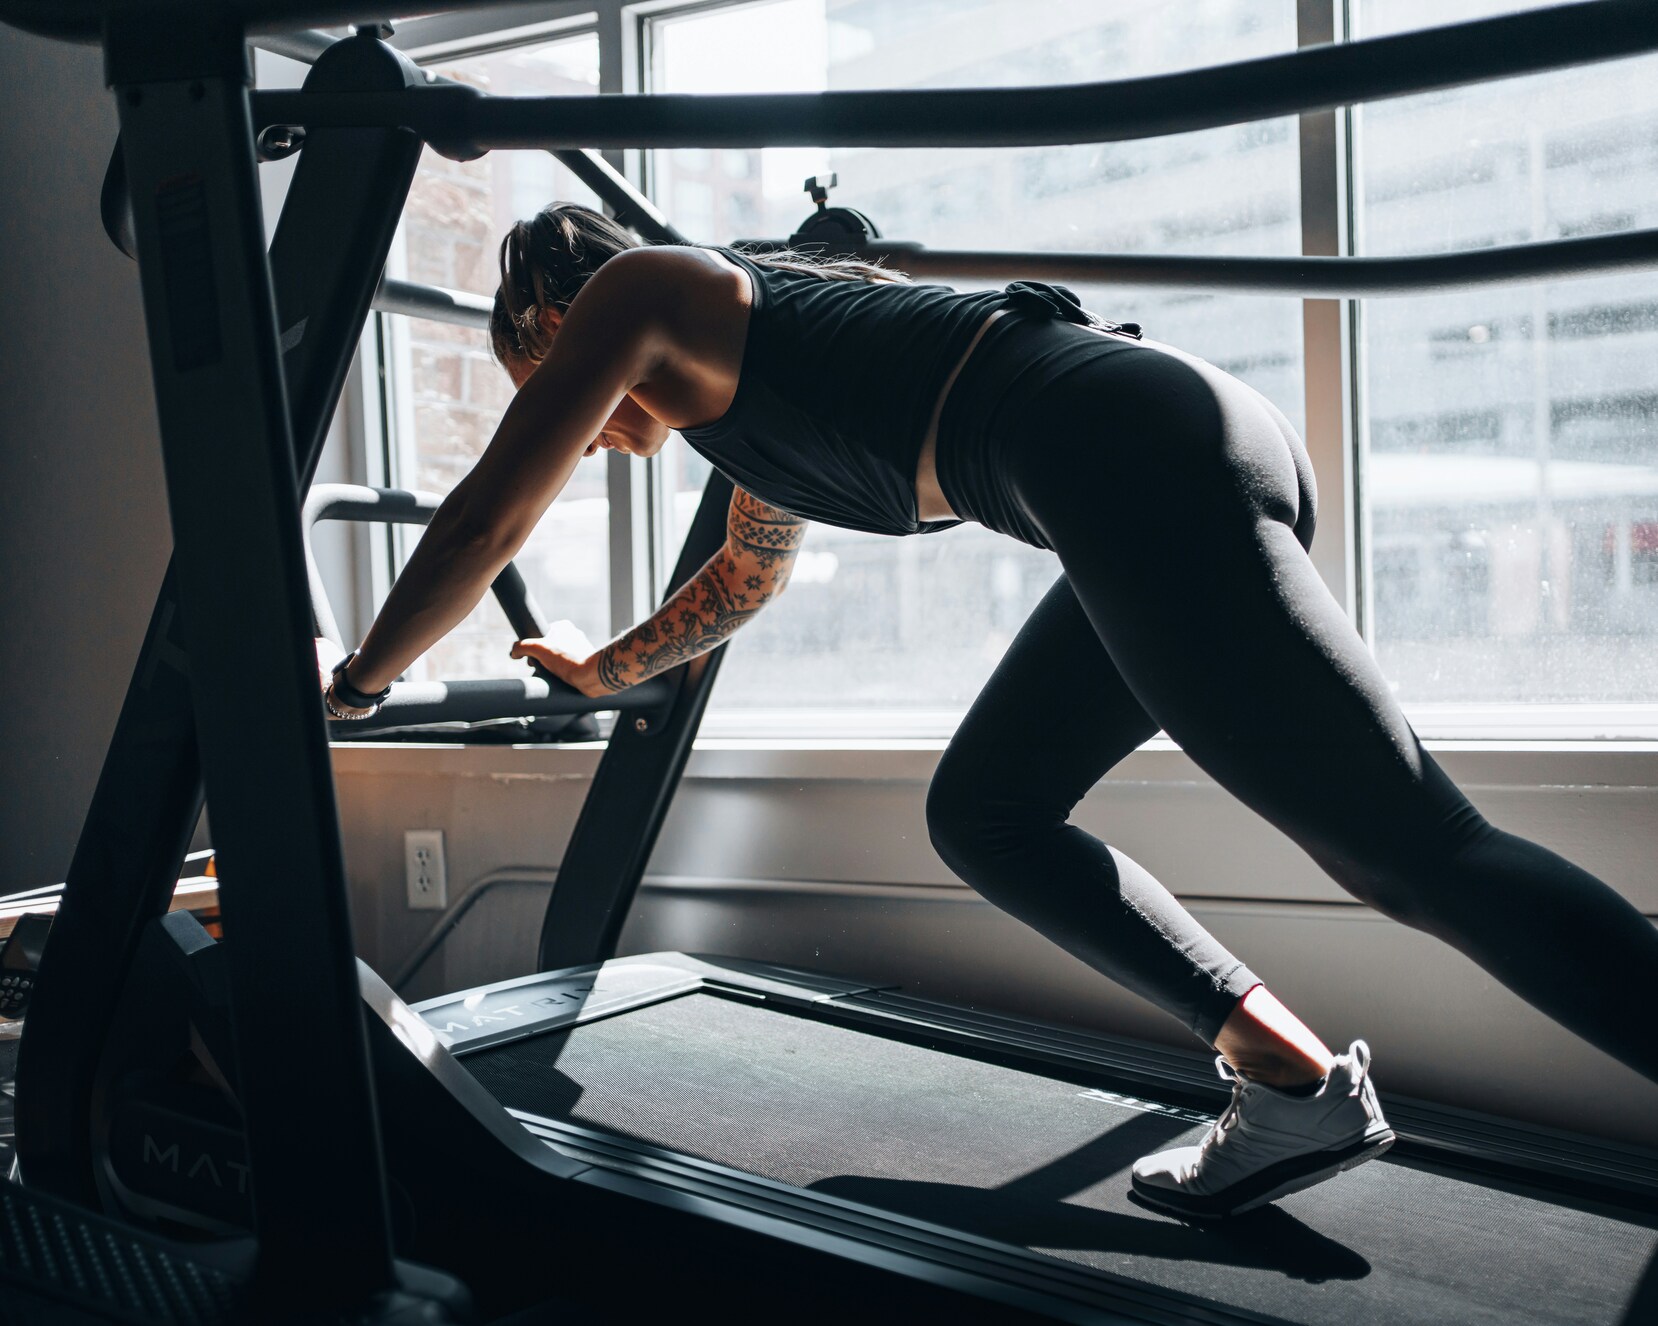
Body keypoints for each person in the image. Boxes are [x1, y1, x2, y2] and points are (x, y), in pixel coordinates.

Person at [319, 203, 1658, 1221]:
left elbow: (490, 515)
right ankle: (1289, 1082)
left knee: (1417, 853)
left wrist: (361, 678)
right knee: (986, 812)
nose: (568, 418)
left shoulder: (648, 288)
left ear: (552, 325)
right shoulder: (749, 392)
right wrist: (603, 671)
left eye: (539, 378)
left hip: (1137, 461)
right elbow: (741, 581)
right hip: (1144, 463)